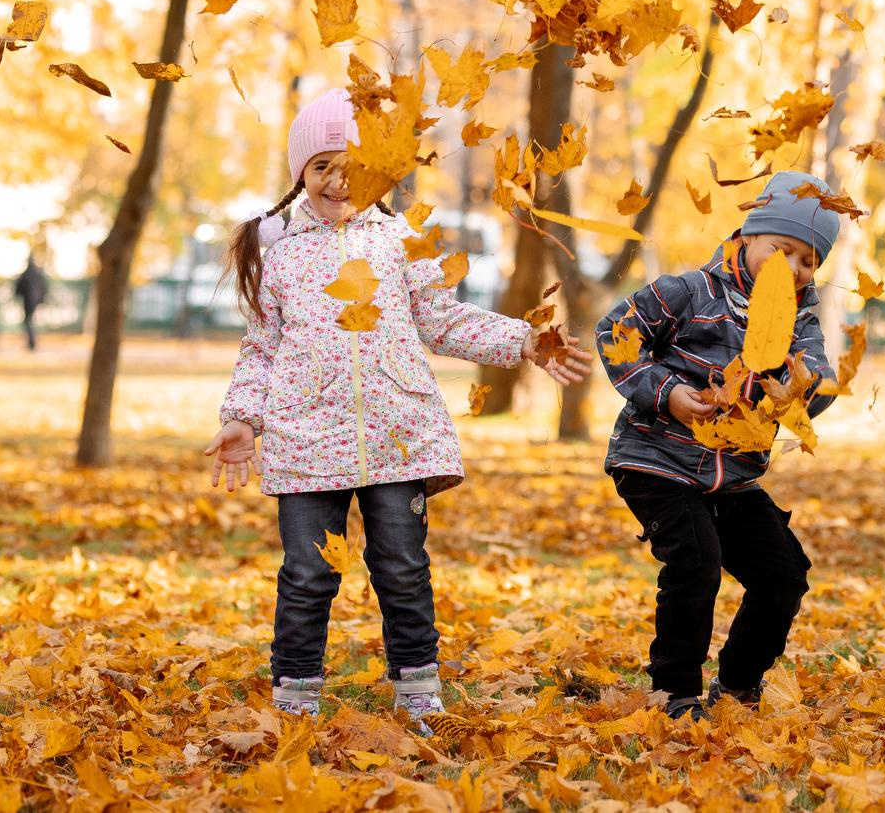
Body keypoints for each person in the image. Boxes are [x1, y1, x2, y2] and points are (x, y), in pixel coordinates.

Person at [201, 88, 594, 732]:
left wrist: (523, 341)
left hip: (397, 435)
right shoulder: (281, 256)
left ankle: (416, 680)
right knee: (307, 573)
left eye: (352, 163)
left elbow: (442, 320)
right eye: (322, 164)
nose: (337, 179)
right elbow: (262, 348)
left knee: (403, 566)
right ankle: (296, 685)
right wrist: (243, 418)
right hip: (306, 437)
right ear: (300, 171)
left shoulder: (404, 240)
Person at [597, 169, 847, 719]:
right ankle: (674, 692)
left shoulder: (798, 323)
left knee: (783, 574)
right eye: (783, 251)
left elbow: (819, 380)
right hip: (656, 458)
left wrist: (799, 393)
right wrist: (668, 393)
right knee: (697, 563)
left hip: (732, 474)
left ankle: (737, 688)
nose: (796, 269)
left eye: (809, 261)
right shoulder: (686, 292)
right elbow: (616, 335)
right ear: (749, 235)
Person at [12, 251, 49, 351]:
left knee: (28, 321)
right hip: (35, 301)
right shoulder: (37, 273)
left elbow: (19, 286)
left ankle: (32, 342)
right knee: (30, 321)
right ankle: (32, 342)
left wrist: (17, 295)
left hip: (29, 301)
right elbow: (43, 287)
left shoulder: (27, 273)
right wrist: (42, 299)